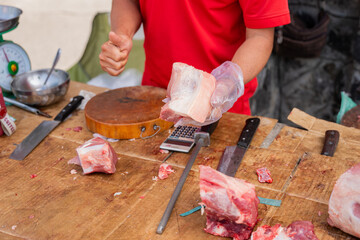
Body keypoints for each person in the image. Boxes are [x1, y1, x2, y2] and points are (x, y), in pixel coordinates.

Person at [99, 0, 290, 121]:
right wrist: (122, 35)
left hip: (220, 107)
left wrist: (229, 79)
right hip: (154, 98)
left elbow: (260, 38)